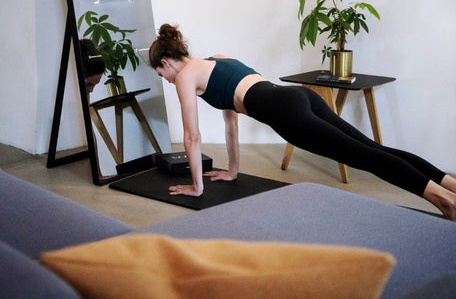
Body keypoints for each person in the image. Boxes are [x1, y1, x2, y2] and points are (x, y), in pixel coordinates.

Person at [149, 23, 456, 221]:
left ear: (165, 63)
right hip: (298, 97)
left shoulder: (185, 78)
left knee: (365, 157)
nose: (167, 80)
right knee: (373, 149)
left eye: (162, 75)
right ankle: (450, 185)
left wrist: (197, 187)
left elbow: (192, 137)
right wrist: (231, 171)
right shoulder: (216, 59)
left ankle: (444, 202)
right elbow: (231, 123)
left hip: (285, 112)